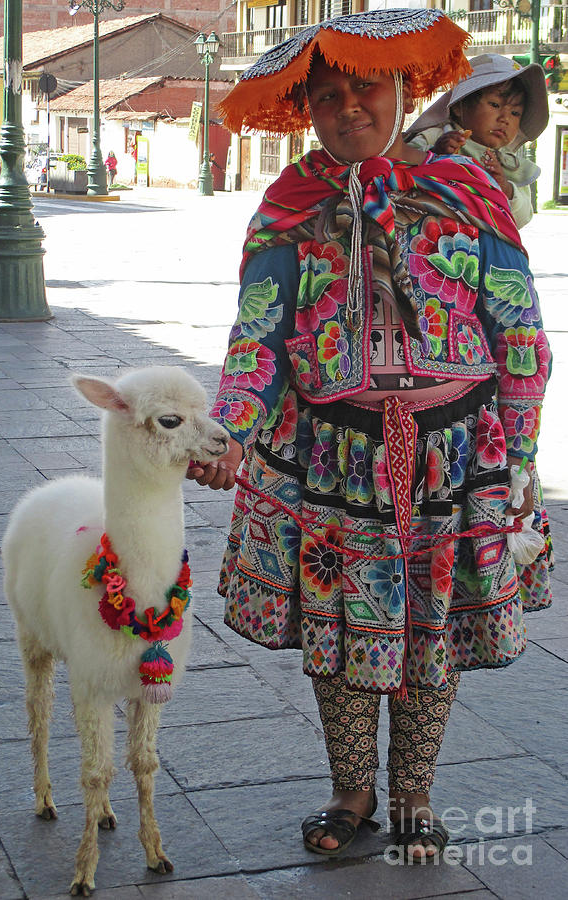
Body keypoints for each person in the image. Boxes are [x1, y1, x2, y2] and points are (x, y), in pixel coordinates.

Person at [188, 9, 553, 863]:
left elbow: (519, 328)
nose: (349, 107)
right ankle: (351, 788)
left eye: (365, 89)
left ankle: (416, 794)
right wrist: (229, 432)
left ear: (403, 90)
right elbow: (259, 334)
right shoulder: (289, 205)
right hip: (334, 453)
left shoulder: (468, 194)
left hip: (452, 454)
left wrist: (525, 455)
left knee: (433, 630)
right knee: (342, 630)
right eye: (327, 96)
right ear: (308, 110)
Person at [404, 54, 549, 229]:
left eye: (515, 113)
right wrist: (435, 154)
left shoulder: (508, 164)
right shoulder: (436, 136)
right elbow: (403, 167)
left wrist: (505, 189)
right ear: (459, 106)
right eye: (495, 105)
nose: (505, 119)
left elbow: (523, 217)